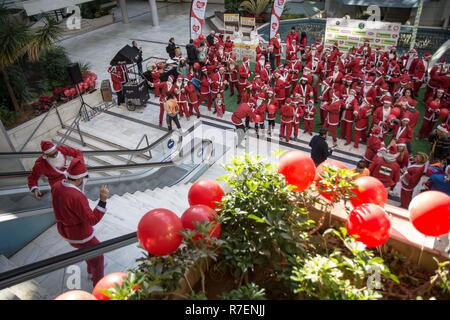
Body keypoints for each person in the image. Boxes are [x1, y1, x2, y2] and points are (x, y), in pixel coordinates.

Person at [51, 158, 109, 286]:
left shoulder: (56, 186)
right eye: (84, 177)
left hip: (65, 231)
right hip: (80, 235)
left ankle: (90, 271)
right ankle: (98, 283)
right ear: (78, 179)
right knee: (98, 256)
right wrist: (102, 200)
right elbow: (92, 219)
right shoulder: (77, 196)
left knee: (87, 251)